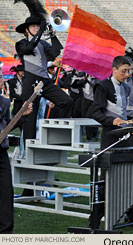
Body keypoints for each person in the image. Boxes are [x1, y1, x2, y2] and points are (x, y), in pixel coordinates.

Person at [92, 56, 133, 229]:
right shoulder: (102, 86)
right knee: (106, 181)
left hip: (126, 137)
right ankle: (94, 222)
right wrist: (112, 121)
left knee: (131, 178)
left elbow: (126, 112)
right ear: (114, 69)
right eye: (124, 71)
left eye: (129, 71)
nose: (127, 75)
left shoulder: (126, 87)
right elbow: (96, 112)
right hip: (110, 137)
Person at [15, 7, 72, 146]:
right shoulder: (21, 43)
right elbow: (28, 48)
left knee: (67, 101)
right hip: (30, 81)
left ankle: (55, 133)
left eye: (37, 25)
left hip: (45, 81)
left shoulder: (42, 43)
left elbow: (55, 52)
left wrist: (52, 34)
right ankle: (29, 148)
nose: (35, 28)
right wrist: (40, 31)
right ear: (26, 30)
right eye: (33, 26)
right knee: (30, 115)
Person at [0, 61, 32, 233]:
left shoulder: (4, 103)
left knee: (6, 193)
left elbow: (7, 127)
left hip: (1, 154)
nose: (0, 80)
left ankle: (5, 233)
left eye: (0, 77)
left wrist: (22, 116)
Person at [6, 64, 25, 130]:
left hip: (24, 102)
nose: (22, 72)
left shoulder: (25, 80)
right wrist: (21, 97)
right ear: (17, 72)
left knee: (23, 122)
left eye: (23, 71)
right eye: (20, 71)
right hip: (17, 103)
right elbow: (12, 93)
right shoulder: (12, 81)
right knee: (15, 121)